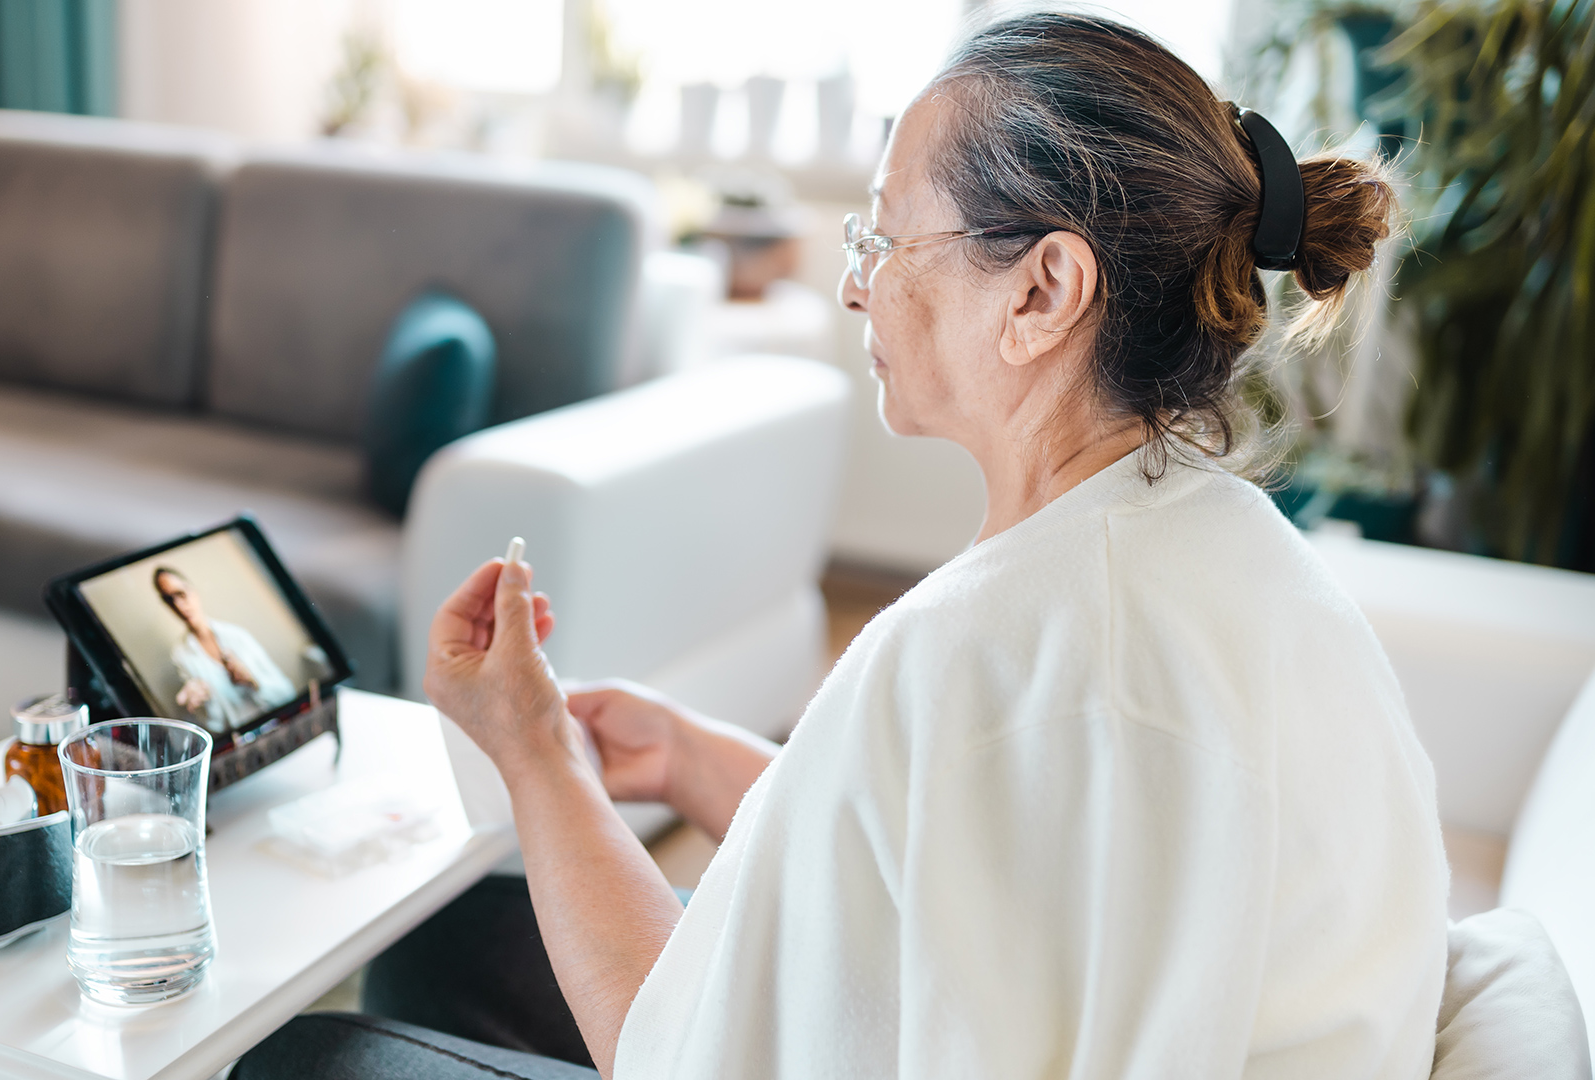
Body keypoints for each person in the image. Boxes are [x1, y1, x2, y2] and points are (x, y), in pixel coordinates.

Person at [233, 13, 1445, 1079]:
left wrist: (535, 750)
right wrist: (714, 766)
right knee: (451, 947)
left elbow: (677, 1056)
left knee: (300, 1053)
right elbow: (983, 874)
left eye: (882, 240)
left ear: (1040, 293)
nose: (855, 288)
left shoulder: (971, 652)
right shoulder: (1235, 555)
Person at [153, 566, 297, 734]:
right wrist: (206, 703)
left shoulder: (237, 635)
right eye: (169, 599)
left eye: (180, 594)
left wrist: (253, 682)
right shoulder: (181, 655)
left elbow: (288, 693)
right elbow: (217, 726)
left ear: (193, 590)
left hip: (280, 726)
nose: (178, 605)